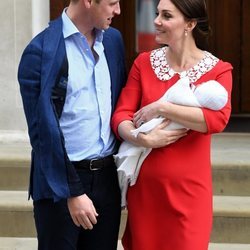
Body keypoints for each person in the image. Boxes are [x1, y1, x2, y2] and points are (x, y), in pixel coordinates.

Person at [111, 0, 233, 249]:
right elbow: (121, 115)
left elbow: (217, 120)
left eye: (166, 16)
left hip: (190, 195)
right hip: (146, 193)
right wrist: (141, 139)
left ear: (189, 24)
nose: (156, 21)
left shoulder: (219, 71)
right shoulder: (143, 63)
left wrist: (162, 107)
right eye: (157, 14)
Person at [17, 0, 126, 249]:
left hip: (106, 179)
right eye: (112, 3)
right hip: (60, 185)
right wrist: (72, 192)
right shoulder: (39, 51)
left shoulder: (113, 41)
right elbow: (42, 134)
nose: (118, 10)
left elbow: (121, 102)